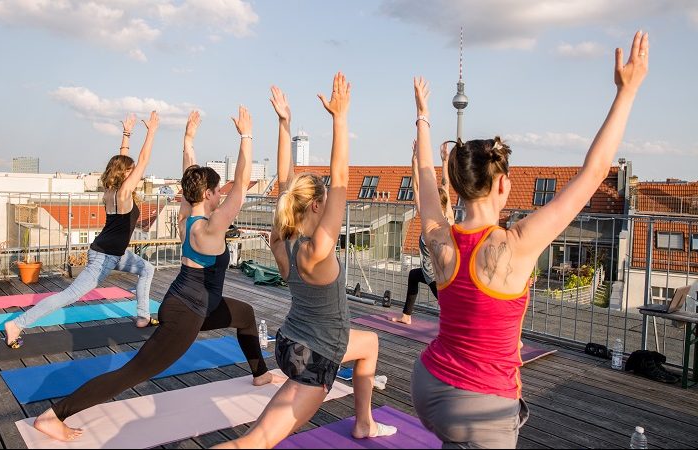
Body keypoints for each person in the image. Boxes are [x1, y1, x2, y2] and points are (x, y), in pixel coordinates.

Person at [410, 32, 648, 448]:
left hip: (428, 386)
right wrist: (626, 94)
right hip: (482, 406)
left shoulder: (439, 238)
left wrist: (423, 116)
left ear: (459, 186)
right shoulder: (517, 244)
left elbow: (428, 186)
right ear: (503, 185)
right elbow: (593, 175)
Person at [31, 107, 280, 442]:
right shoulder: (209, 228)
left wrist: (188, 139)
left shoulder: (186, 215)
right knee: (131, 373)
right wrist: (246, 137)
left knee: (245, 315)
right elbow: (240, 188)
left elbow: (192, 176)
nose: (222, 194)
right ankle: (53, 416)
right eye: (217, 190)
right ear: (208, 194)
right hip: (187, 314)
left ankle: (260, 374)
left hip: (193, 302)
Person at [215, 74, 397, 450]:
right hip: (315, 355)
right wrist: (340, 119)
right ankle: (362, 422)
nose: (332, 202)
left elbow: (285, 184)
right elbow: (342, 178)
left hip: (290, 344)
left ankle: (365, 422)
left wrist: (284, 124)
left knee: (370, 344)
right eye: (326, 199)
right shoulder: (317, 250)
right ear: (317, 206)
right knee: (252, 444)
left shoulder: (285, 237)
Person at [4, 111, 161, 348]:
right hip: (103, 258)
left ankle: (142, 316)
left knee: (146, 269)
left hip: (115, 253)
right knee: (68, 296)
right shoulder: (123, 193)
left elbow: (123, 160)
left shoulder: (113, 191)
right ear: (125, 175)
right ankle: (17, 324)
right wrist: (151, 132)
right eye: (131, 171)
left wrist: (127, 134)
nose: (136, 173)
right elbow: (143, 160)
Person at [392, 141, 455, 325]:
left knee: (451, 308)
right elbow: (445, 185)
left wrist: (414, 159)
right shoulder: (448, 215)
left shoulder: (431, 218)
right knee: (413, 275)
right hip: (441, 270)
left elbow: (417, 187)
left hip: (435, 274)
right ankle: (406, 315)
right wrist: (444, 161)